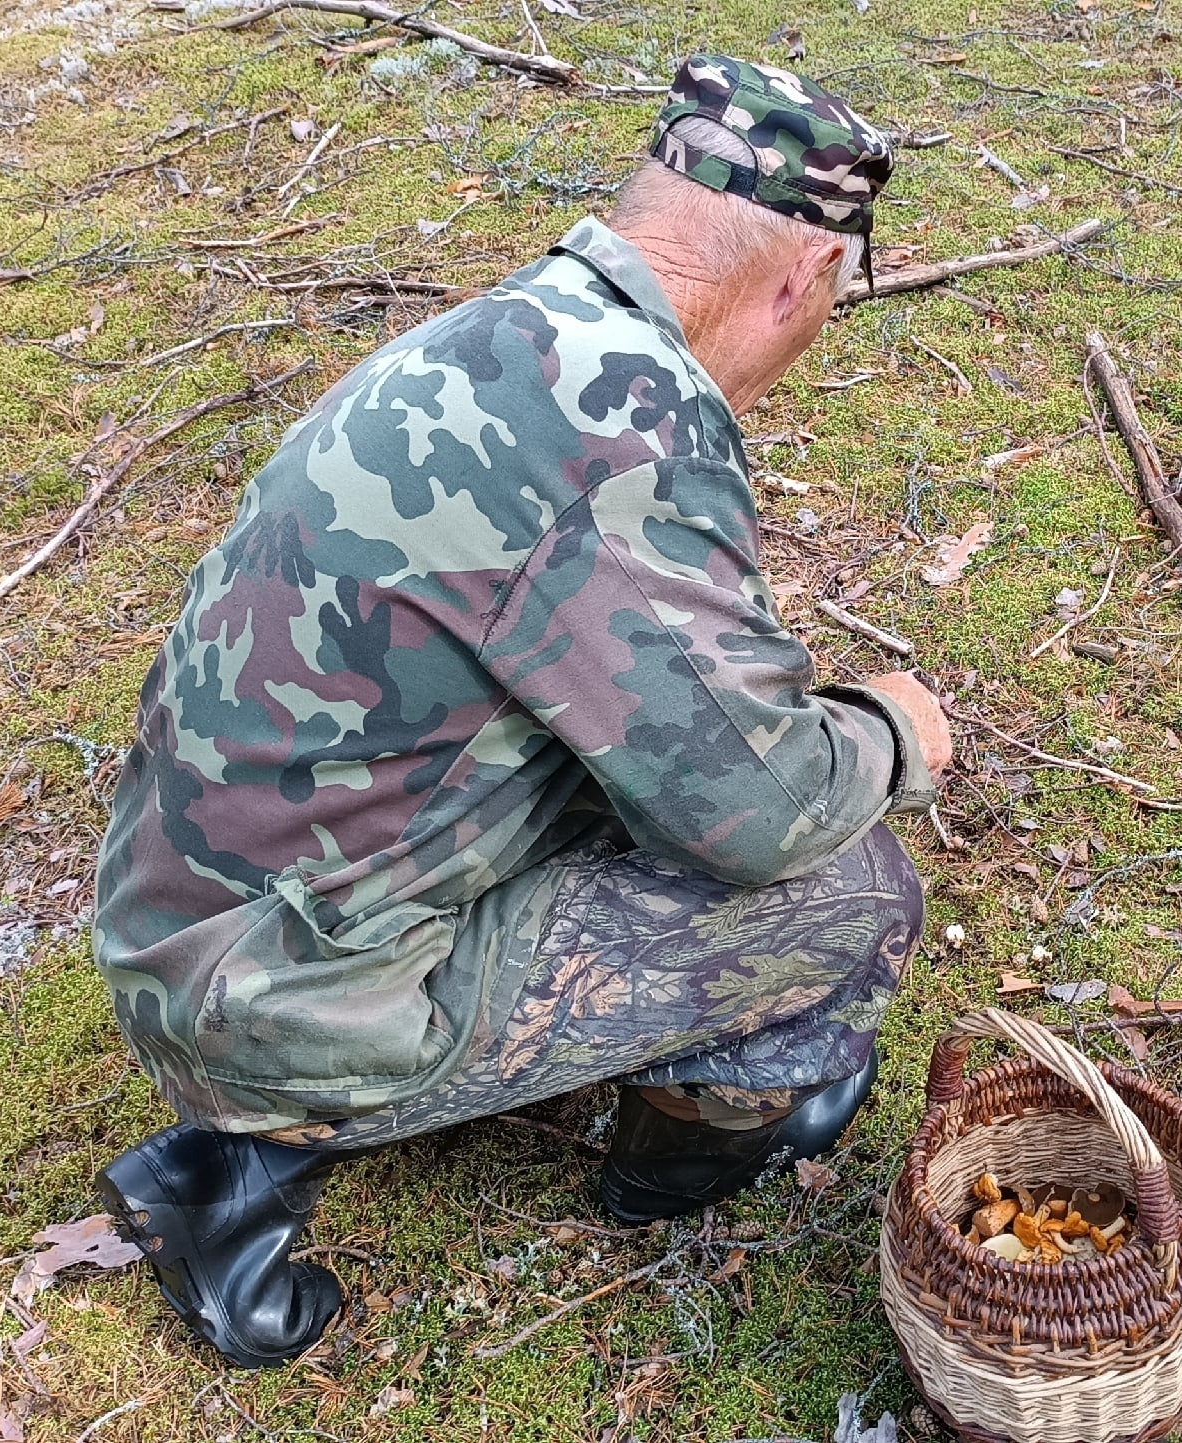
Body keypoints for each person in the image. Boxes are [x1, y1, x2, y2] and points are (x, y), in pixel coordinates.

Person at [87, 55, 950, 1368]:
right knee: (855, 896)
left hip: (186, 914)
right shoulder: (629, 442)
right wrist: (893, 734)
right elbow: (758, 814)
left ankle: (263, 1120)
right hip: (279, 997)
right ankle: (671, 1157)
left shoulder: (514, 337)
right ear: (801, 283)